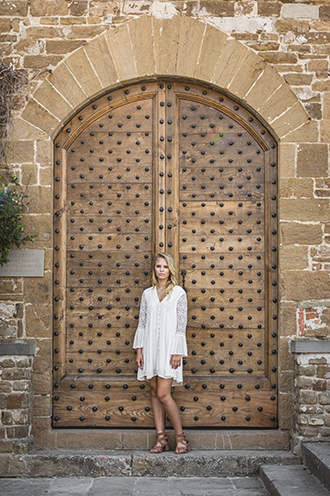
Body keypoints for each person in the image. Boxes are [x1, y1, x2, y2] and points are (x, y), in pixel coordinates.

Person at [133, 252, 189, 454]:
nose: (162, 270)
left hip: (168, 349)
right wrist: (139, 351)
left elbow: (181, 326)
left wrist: (177, 352)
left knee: (164, 394)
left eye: (165, 267)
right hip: (149, 348)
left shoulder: (179, 293)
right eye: (158, 266)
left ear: (170, 269)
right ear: (154, 270)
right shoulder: (147, 294)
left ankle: (181, 438)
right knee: (154, 393)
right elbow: (142, 323)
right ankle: (161, 439)